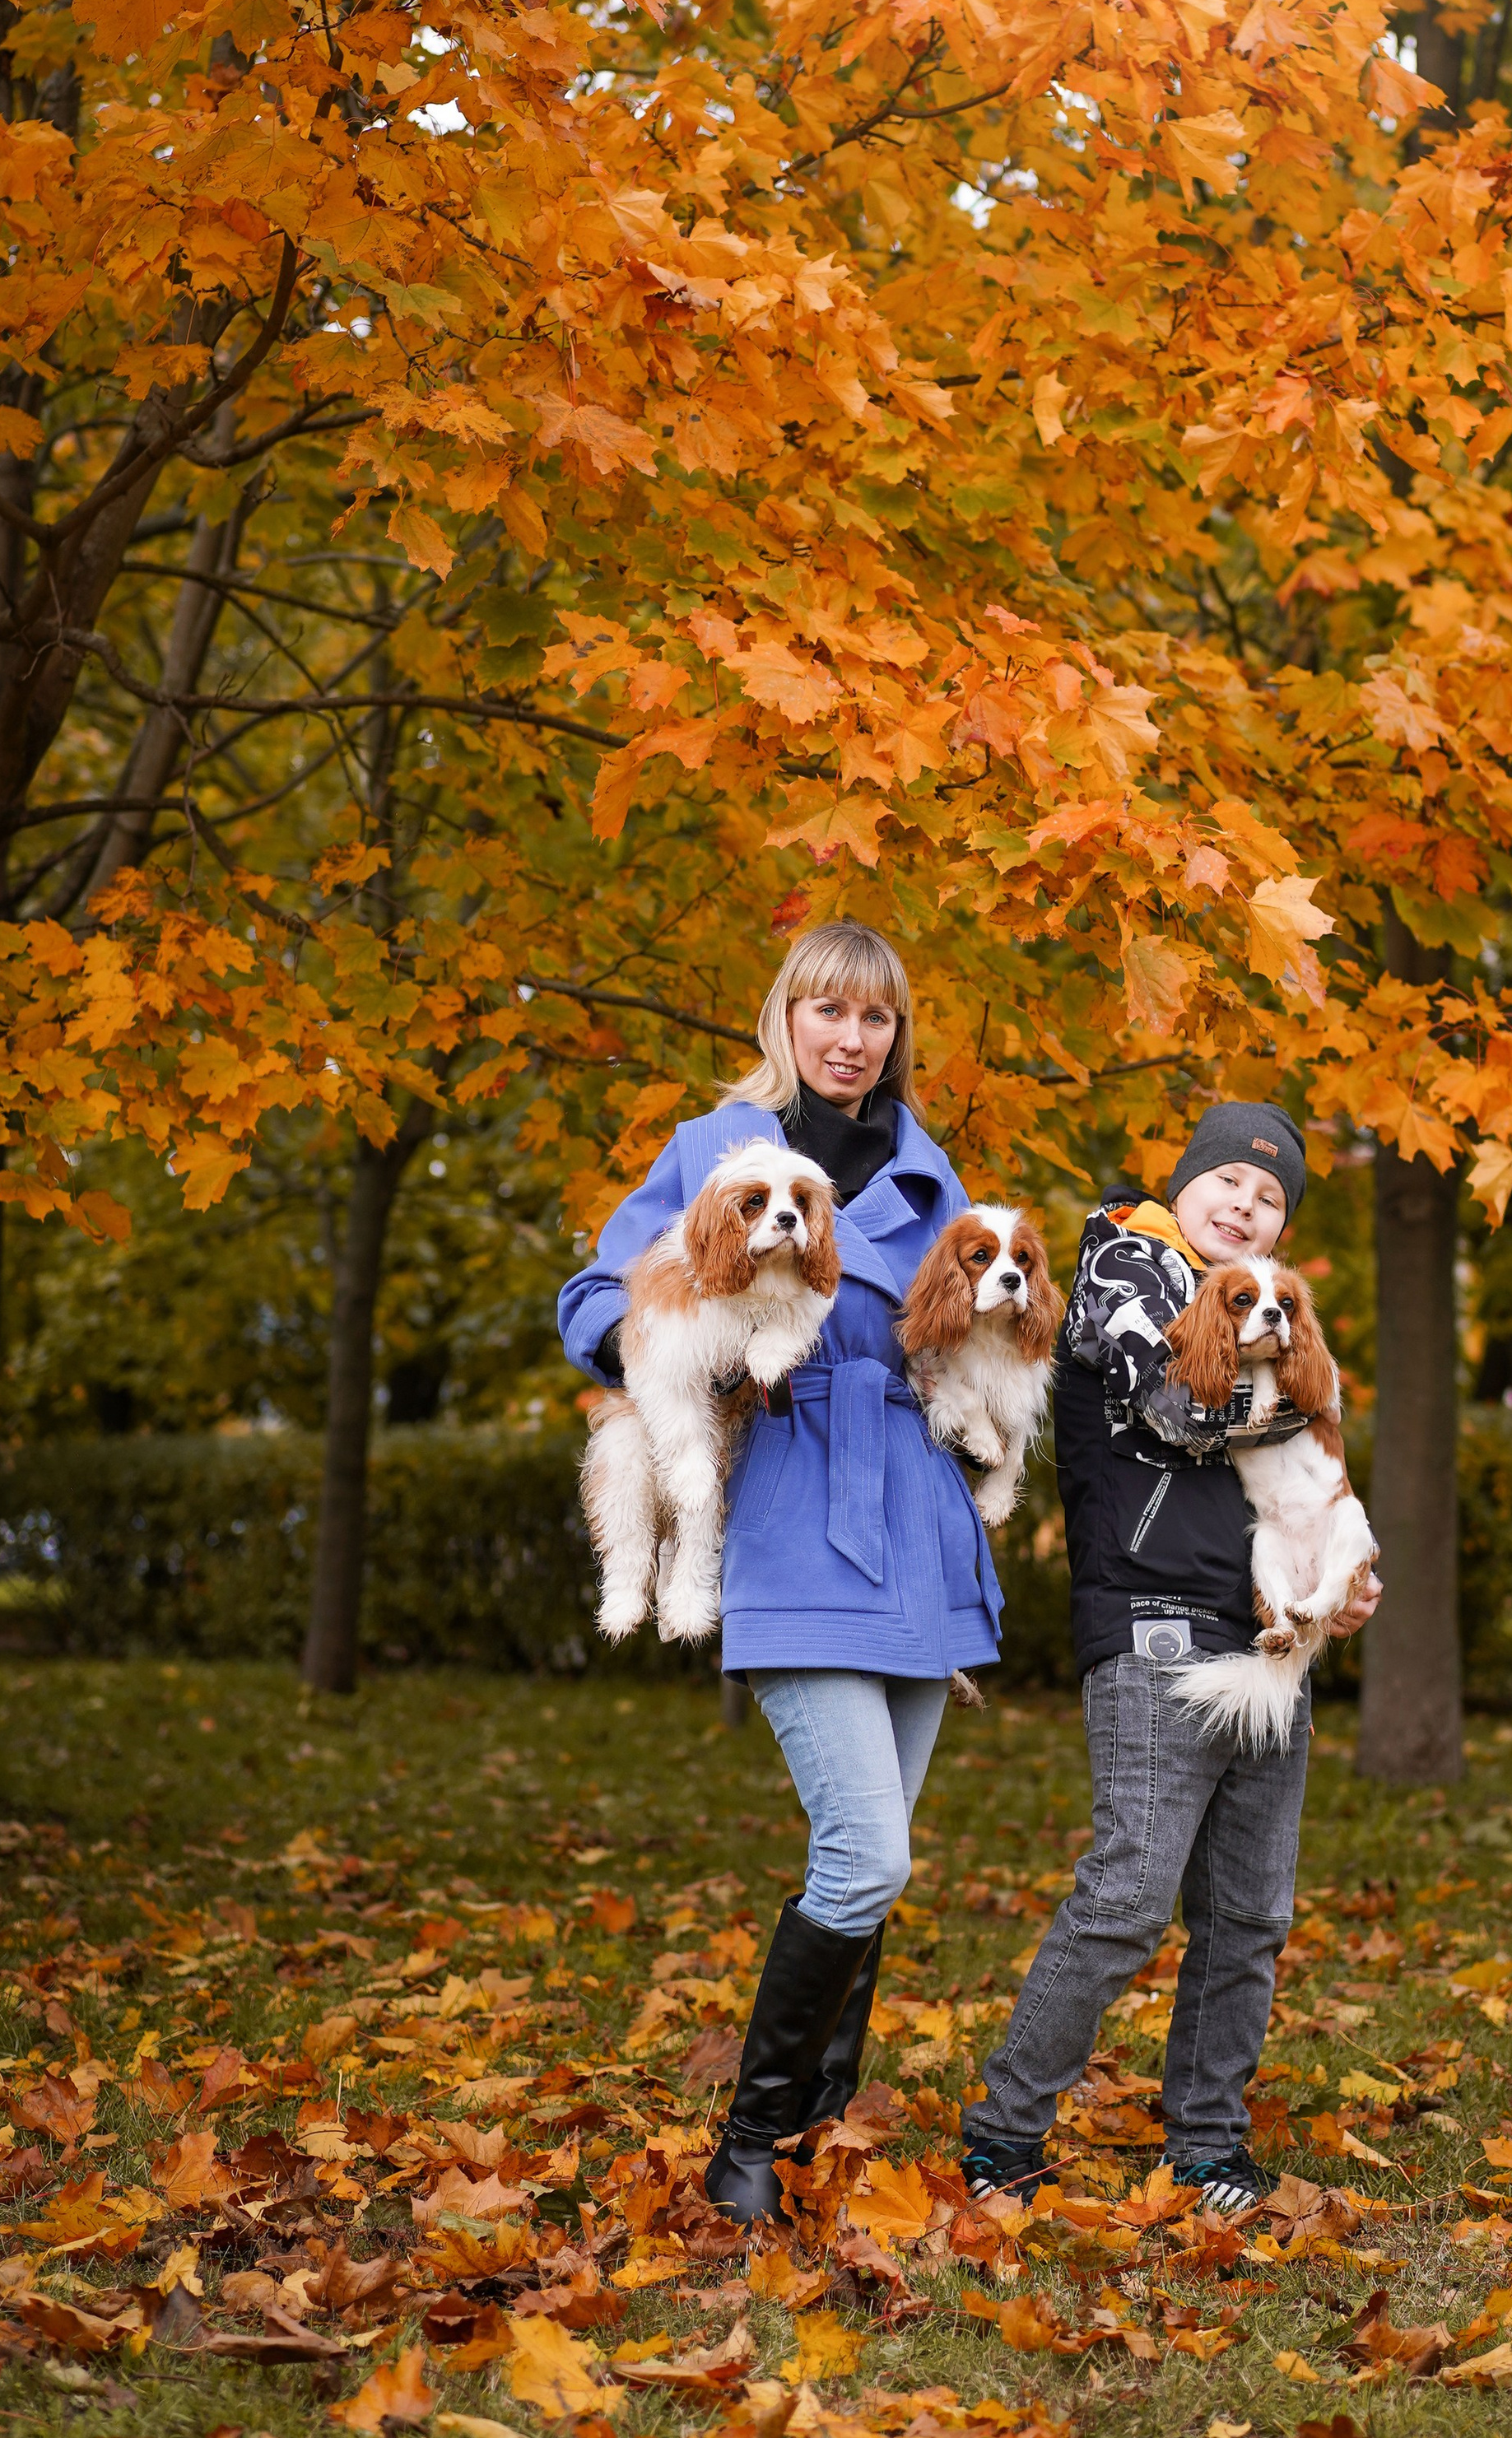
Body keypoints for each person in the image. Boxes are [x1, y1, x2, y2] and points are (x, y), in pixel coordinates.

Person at [557, 922, 999, 2221]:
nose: (851, 1039)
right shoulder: (716, 1151)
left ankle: (816, 2126)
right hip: (790, 1501)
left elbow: (978, 1329)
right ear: (785, 1018)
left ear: (896, 1035)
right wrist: (667, 1352)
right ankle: (747, 2150)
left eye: (875, 1018)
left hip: (916, 1513)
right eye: (827, 1011)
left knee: (877, 1851)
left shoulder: (927, 1174)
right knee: (867, 1853)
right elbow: (597, 1292)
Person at [959, 1100, 1381, 2219]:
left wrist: (1339, 1572)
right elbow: (1174, 1411)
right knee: (1130, 1895)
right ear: (1184, 1181)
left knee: (1250, 1917)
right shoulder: (1125, 1262)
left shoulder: (1258, 1299)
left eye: (1271, 1197)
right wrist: (1303, 1393)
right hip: (1153, 1620)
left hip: (1266, 1636)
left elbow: (1304, 1460)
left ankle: (1206, 2147)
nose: (1245, 1205)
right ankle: (1003, 2133)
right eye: (1229, 1181)